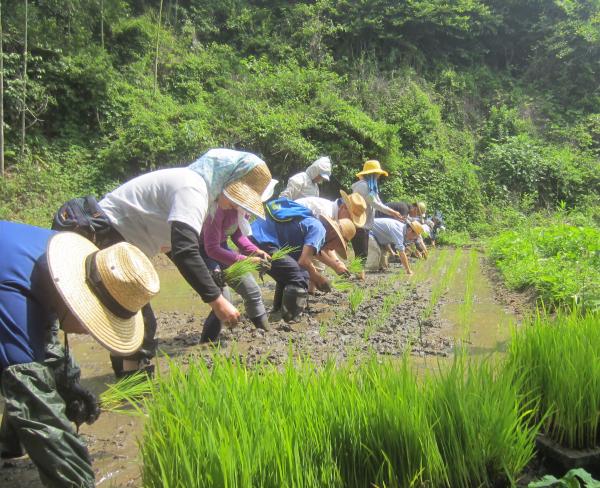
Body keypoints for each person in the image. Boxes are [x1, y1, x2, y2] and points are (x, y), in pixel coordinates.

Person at [53, 148, 272, 377]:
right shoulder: (192, 189)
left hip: (120, 244)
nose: (238, 206)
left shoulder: (199, 193)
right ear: (225, 178)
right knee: (140, 324)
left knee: (133, 322)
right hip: (108, 238)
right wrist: (217, 301)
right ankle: (134, 393)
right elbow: (185, 251)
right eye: (237, 197)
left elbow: (177, 250)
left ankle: (127, 383)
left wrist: (210, 283)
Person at [0, 221, 159, 487]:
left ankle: (8, 444)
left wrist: (68, 386)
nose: (88, 331)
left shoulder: (53, 259)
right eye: (95, 321)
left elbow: (45, 340)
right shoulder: (12, 296)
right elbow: (38, 410)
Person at [199, 180, 279, 339]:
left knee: (252, 290)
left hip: (221, 247)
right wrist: (246, 260)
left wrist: (255, 251)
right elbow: (211, 248)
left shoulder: (240, 210)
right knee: (223, 298)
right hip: (203, 250)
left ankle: (265, 332)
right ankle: (206, 345)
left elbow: (237, 235)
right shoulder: (218, 208)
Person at [250, 204, 356, 322]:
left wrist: (334, 266)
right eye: (337, 244)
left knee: (293, 273)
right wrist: (318, 278)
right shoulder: (319, 230)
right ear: (333, 234)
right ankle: (290, 320)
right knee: (298, 276)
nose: (332, 249)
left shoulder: (317, 227)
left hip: (259, 238)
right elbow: (304, 261)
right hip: (262, 240)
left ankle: (278, 311)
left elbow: (314, 253)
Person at [351, 160, 404, 275]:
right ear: (372, 174)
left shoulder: (371, 187)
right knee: (362, 252)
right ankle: (358, 274)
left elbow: (378, 202)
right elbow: (375, 204)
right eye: (377, 174)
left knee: (362, 252)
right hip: (360, 223)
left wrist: (392, 212)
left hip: (365, 223)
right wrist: (392, 212)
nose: (379, 176)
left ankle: (358, 274)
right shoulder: (364, 186)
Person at [295, 190, 367, 228]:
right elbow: (318, 248)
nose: (349, 222)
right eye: (350, 218)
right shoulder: (326, 214)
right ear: (343, 207)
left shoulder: (332, 212)